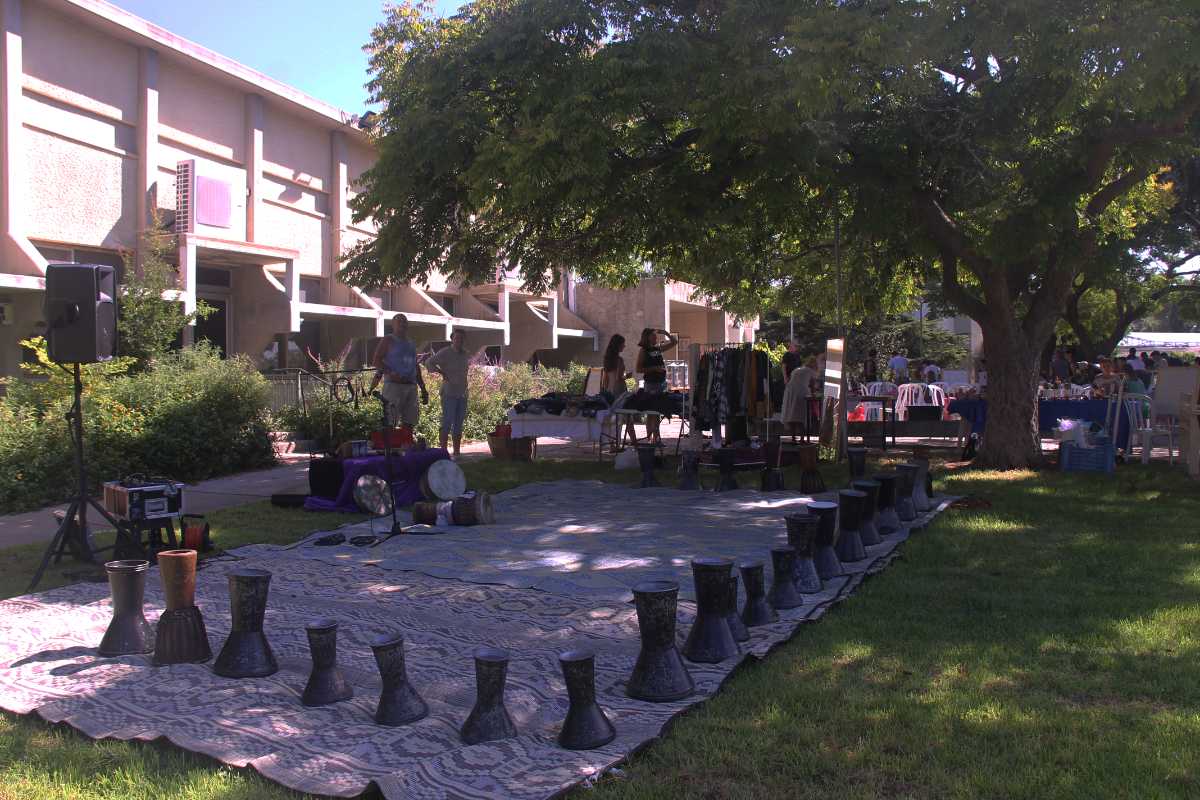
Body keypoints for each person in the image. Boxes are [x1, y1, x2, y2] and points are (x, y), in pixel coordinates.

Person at [370, 313, 429, 430]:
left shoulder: (411, 343)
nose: (402, 324)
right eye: (399, 321)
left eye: (404, 321)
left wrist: (423, 387)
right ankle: (391, 442)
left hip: (411, 386)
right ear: (393, 324)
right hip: (393, 386)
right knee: (391, 422)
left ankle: (405, 442)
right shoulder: (388, 339)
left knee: (410, 423)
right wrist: (391, 373)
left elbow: (415, 365)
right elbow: (376, 360)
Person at [424, 328, 470, 458]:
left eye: (462, 338)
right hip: (449, 392)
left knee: (459, 423)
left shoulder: (465, 354)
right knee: (447, 421)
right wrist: (441, 372)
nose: (459, 340)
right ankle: (443, 453)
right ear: (452, 339)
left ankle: (457, 452)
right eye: (457, 338)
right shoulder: (445, 352)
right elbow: (428, 362)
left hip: (462, 393)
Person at [636, 327, 679, 445]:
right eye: (653, 335)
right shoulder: (644, 351)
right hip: (651, 384)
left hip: (660, 383)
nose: (656, 337)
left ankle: (657, 438)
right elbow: (638, 368)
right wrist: (654, 368)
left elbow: (674, 342)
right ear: (647, 337)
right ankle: (650, 439)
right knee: (651, 412)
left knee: (657, 412)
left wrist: (666, 333)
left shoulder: (657, 349)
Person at [600, 334, 636, 448]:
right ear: (618, 345)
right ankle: (634, 442)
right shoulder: (619, 360)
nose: (624, 346)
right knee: (628, 417)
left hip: (610, 391)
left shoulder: (607, 360)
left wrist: (605, 391)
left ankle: (612, 445)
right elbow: (619, 378)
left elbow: (605, 379)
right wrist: (628, 377)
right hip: (619, 391)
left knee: (612, 420)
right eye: (623, 344)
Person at [781, 355, 818, 439]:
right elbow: (812, 385)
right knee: (802, 415)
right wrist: (813, 394)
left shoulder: (797, 369)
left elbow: (792, 380)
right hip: (801, 392)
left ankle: (793, 437)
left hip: (790, 392)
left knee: (791, 415)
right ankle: (802, 438)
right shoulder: (811, 371)